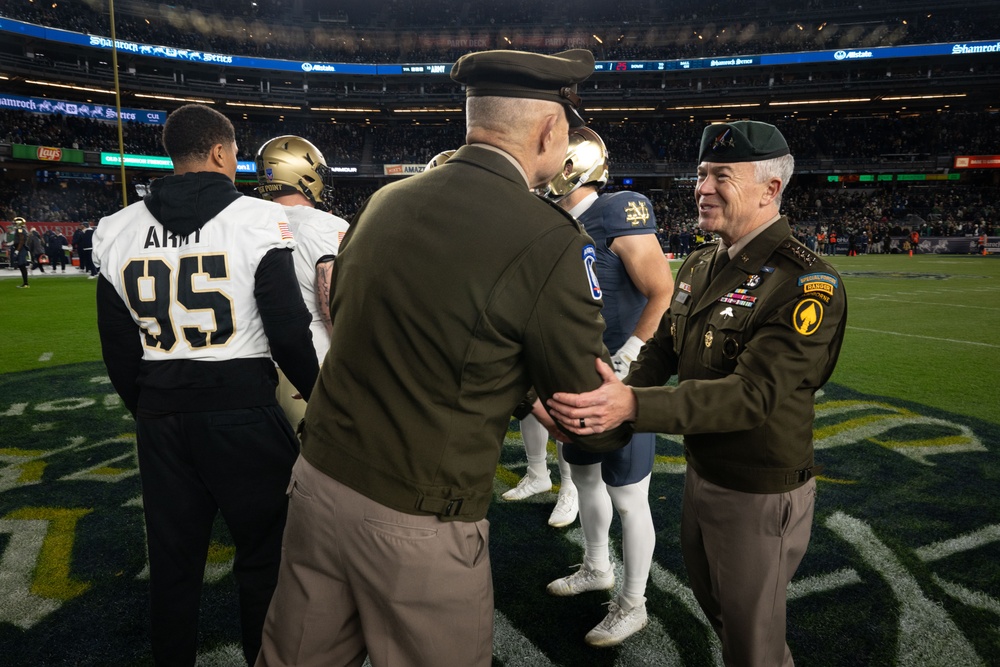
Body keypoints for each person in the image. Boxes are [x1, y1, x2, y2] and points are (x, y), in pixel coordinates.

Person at [256, 48, 631, 667]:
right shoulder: (549, 240)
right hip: (417, 512)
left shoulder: (385, 202)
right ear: (546, 129)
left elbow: (350, 318)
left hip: (319, 482)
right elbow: (583, 410)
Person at [547, 120, 848, 666]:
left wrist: (632, 406)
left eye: (721, 176)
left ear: (770, 189)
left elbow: (751, 396)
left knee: (752, 641)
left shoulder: (806, 284)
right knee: (720, 610)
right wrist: (607, 408)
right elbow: (662, 350)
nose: (702, 187)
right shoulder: (702, 262)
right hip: (703, 476)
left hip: (759, 492)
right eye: (703, 173)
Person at [93, 103, 320, 667]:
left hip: (161, 415)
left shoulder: (116, 229)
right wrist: (324, 398)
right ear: (220, 152)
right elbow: (290, 334)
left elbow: (118, 349)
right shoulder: (258, 219)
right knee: (264, 558)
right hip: (242, 408)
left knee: (173, 564)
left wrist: (151, 408)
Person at [542, 127, 674, 646]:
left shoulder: (619, 209)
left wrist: (631, 357)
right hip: (577, 375)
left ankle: (633, 603)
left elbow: (661, 290)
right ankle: (597, 567)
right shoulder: (554, 222)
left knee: (628, 495)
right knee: (586, 480)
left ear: (571, 163)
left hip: (621, 376)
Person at [255, 134, 350, 426]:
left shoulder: (248, 221)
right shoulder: (326, 226)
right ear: (303, 173)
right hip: (315, 365)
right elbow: (332, 307)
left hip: (257, 369)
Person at [12, 217, 30, 288]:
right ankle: (25, 283)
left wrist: (17, 250)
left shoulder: (20, 230)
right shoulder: (21, 229)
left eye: (15, 223)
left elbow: (21, 241)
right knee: (21, 265)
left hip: (21, 249)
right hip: (20, 249)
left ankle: (26, 283)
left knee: (21, 265)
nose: (14, 224)